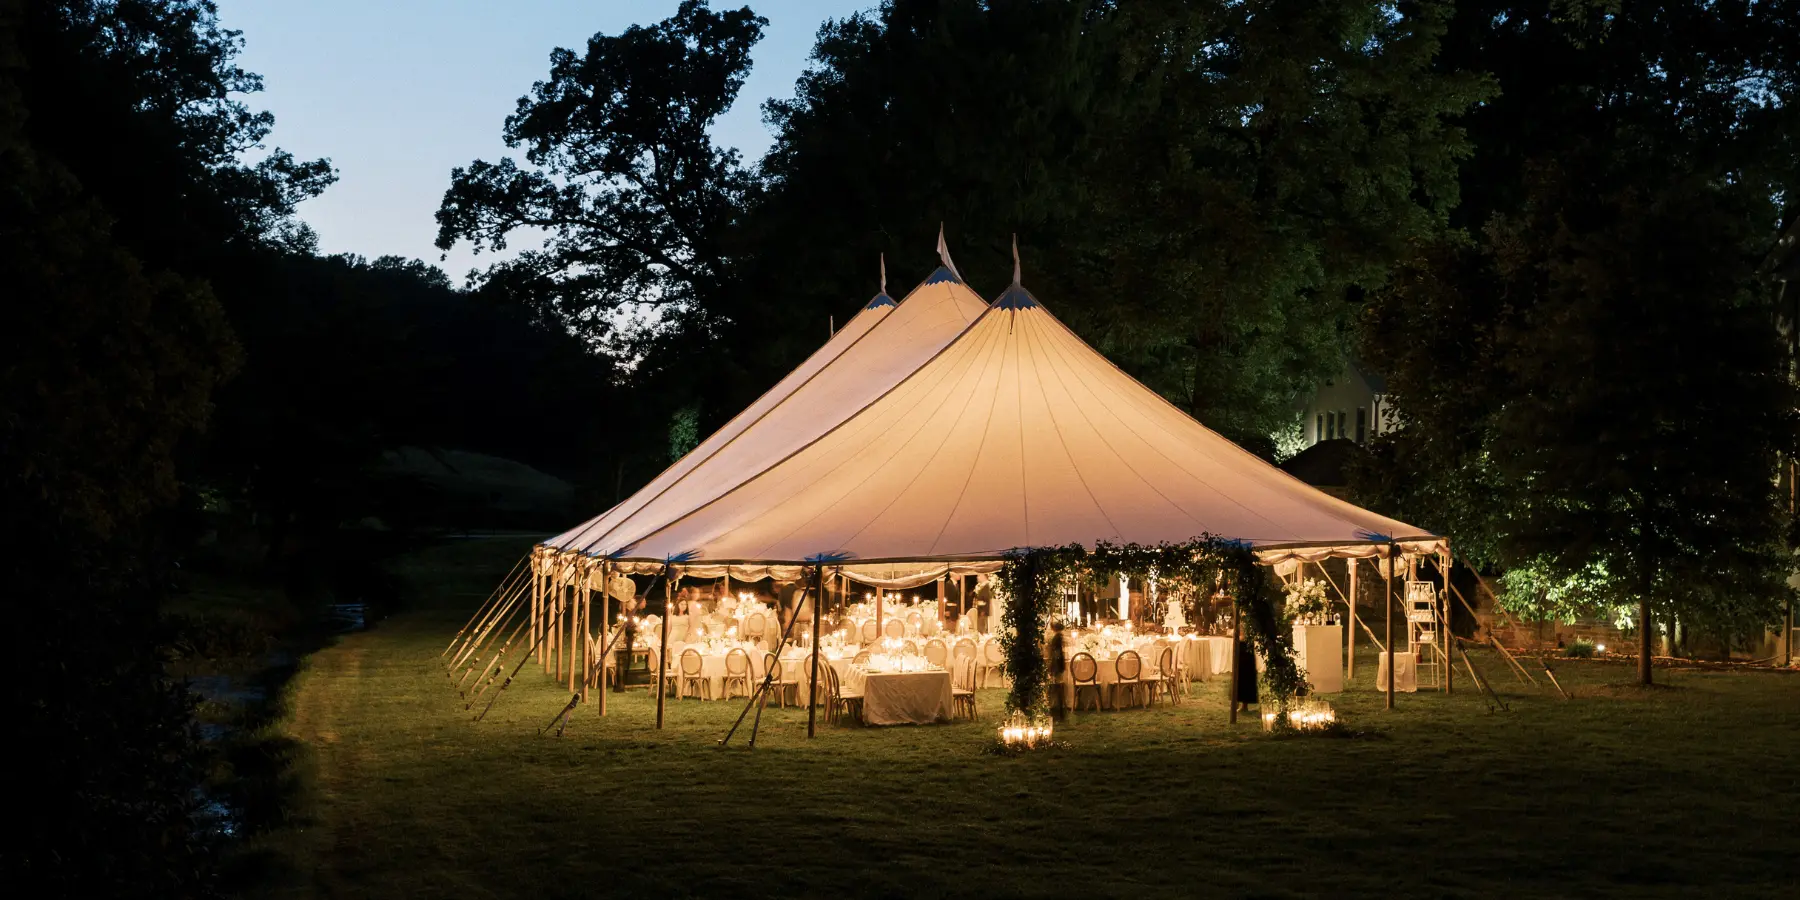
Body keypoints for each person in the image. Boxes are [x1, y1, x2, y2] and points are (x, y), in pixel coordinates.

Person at [1046, 621, 1068, 722]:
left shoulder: (1057, 638)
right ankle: (1058, 709)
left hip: (1057, 665)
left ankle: (1057, 709)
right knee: (1056, 686)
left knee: (1056, 686)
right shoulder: (1059, 637)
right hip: (1058, 664)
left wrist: (1053, 665)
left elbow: (1056, 653)